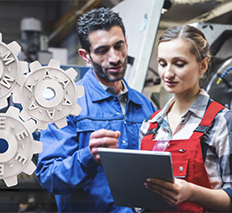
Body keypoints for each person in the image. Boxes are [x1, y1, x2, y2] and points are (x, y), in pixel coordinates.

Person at [36, 7, 157, 213]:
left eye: (119, 46)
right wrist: (87, 157)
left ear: (126, 42)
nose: (115, 58)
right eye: (102, 51)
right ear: (86, 55)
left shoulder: (146, 106)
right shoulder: (66, 105)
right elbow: (49, 177)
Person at [139, 25, 232, 213]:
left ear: (203, 65)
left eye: (179, 63)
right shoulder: (150, 126)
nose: (167, 74)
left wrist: (192, 192)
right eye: (162, 63)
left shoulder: (224, 121)